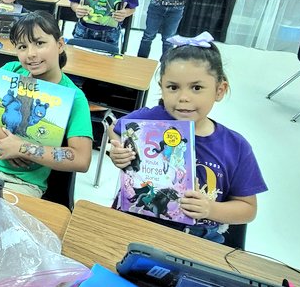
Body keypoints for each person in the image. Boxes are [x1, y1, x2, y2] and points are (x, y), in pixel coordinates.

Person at [107, 33, 266, 244]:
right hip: (132, 223)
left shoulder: (236, 147)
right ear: (161, 87)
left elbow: (247, 209)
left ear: (220, 90)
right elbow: (115, 129)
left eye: (197, 88)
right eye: (173, 87)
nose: (183, 97)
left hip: (195, 239)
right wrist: (119, 151)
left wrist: (211, 208)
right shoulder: (149, 119)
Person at [0, 11, 93, 198]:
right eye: (22, 46)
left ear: (60, 44)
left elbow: (81, 158)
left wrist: (22, 148)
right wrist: (5, 141)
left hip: (24, 183)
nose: (31, 54)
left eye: (40, 43)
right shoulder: (11, 70)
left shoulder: (74, 97)